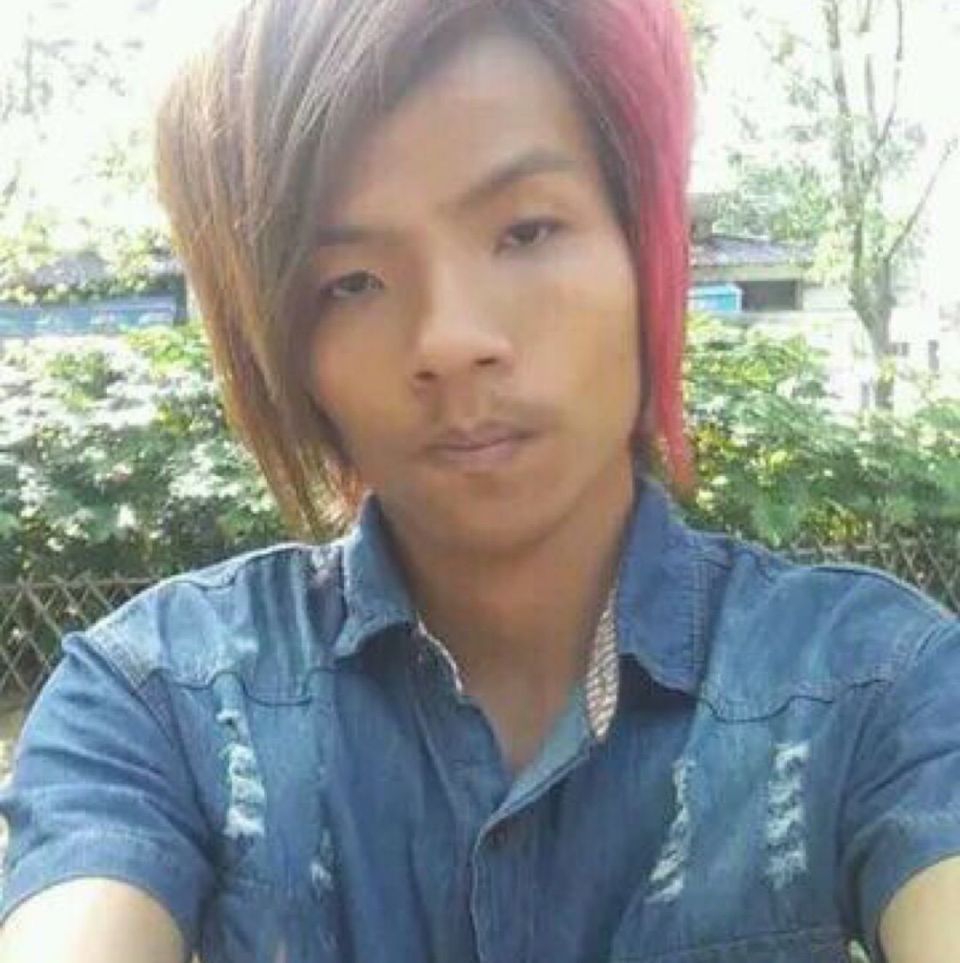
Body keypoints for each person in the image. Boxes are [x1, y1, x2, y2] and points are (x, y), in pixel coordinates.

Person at [0, 0, 958, 960]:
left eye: (527, 230)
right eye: (351, 282)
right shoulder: (160, 702)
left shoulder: (877, 683)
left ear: (644, 248)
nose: (450, 340)